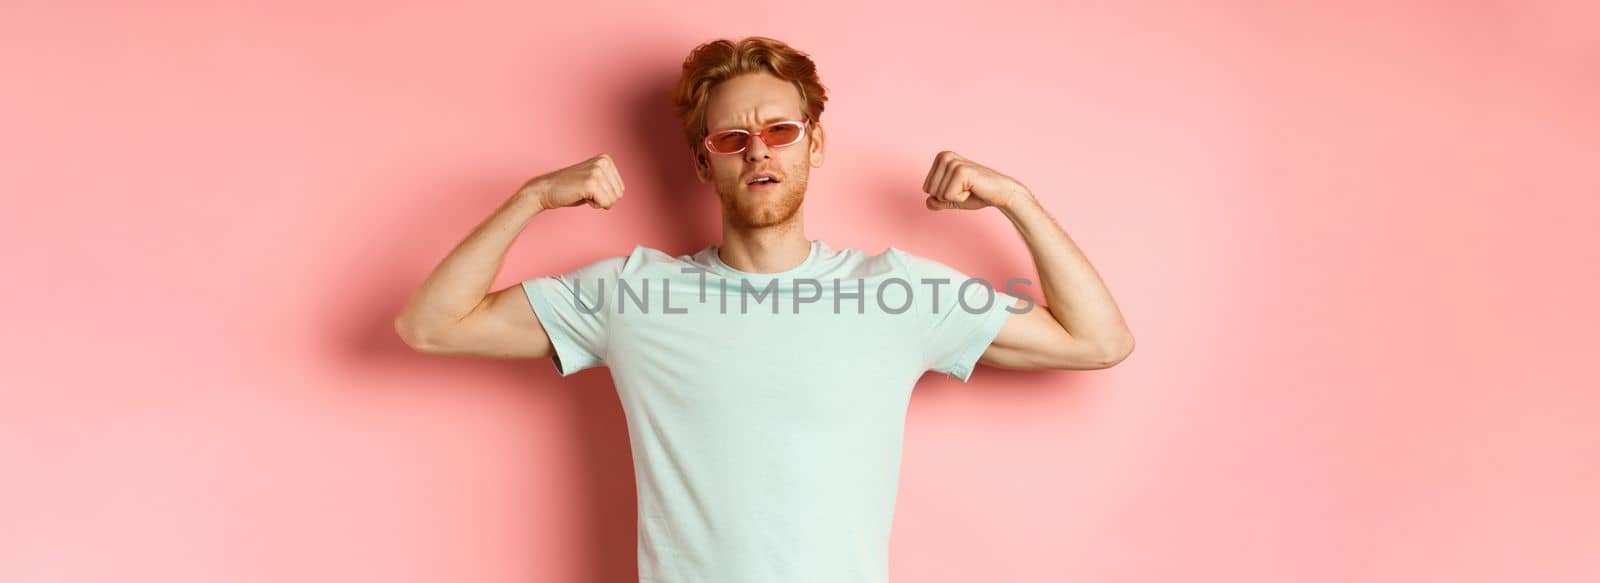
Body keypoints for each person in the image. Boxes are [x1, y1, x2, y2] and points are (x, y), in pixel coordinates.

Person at [394, 36, 1133, 583]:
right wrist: (531, 199)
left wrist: (1016, 201)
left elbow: (1098, 339)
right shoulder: (631, 293)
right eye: (733, 137)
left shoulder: (896, 293)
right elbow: (431, 323)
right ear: (702, 159)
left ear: (815, 142)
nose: (759, 153)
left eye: (781, 130)